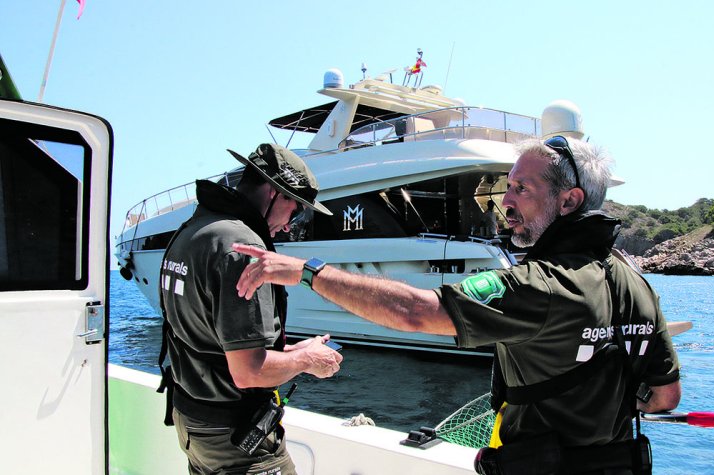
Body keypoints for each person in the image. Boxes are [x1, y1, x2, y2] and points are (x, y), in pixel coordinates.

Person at [232, 137, 682, 474]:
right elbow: (664, 397)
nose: (505, 202)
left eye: (522, 189)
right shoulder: (636, 283)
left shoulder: (539, 285)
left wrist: (307, 272)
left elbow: (416, 312)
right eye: (507, 187)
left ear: (570, 200)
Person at [158, 143, 343, 475]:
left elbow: (211, 339)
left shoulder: (195, 229)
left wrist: (287, 350)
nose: (289, 225)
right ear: (275, 193)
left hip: (194, 422)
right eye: (296, 209)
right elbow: (248, 372)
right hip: (234, 436)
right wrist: (307, 360)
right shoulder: (243, 248)